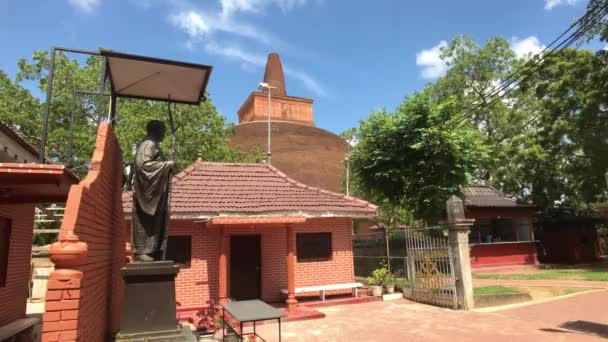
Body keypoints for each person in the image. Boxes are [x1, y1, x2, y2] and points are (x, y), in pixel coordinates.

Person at [131, 120, 175, 262]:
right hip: (147, 192)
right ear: (156, 131)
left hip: (155, 192)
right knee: (146, 221)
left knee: (155, 222)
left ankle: (152, 249)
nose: (164, 134)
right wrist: (166, 165)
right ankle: (142, 250)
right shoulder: (148, 144)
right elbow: (143, 165)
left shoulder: (154, 145)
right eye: (162, 131)